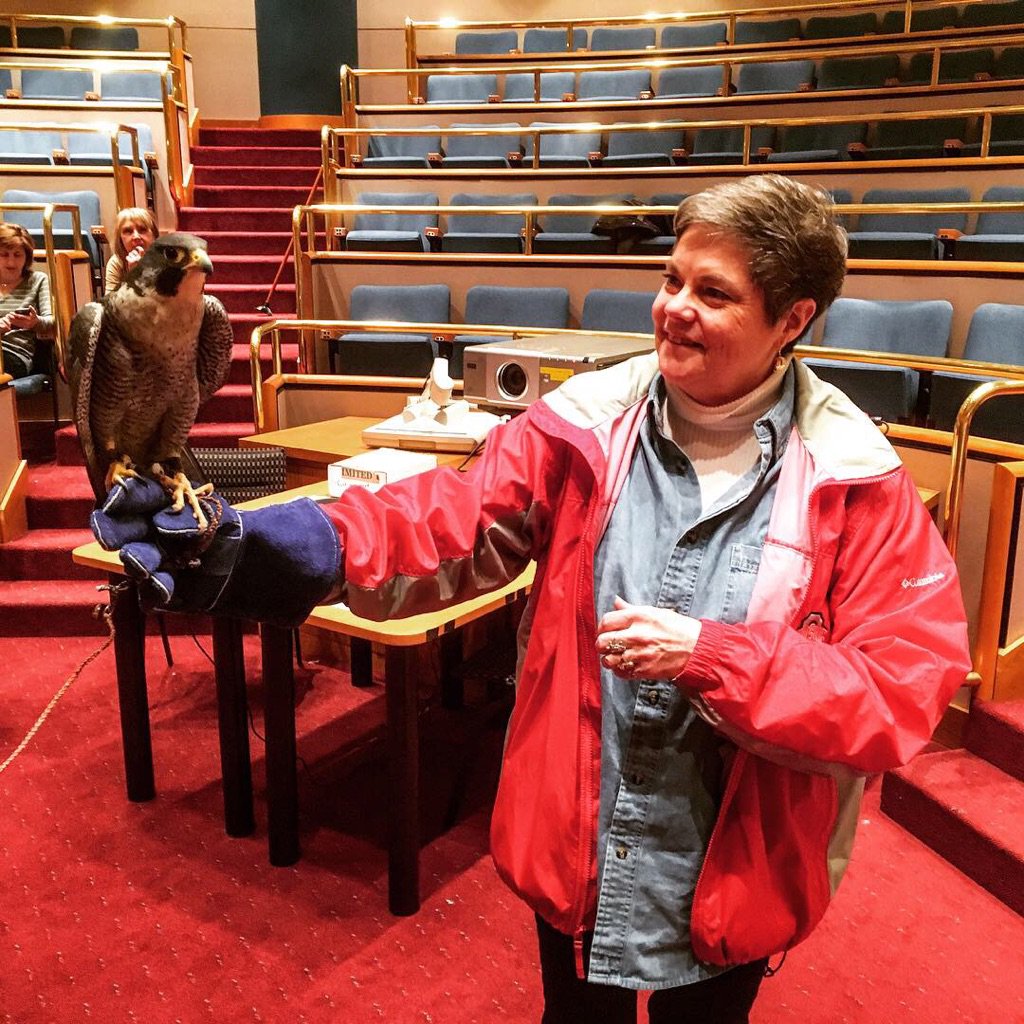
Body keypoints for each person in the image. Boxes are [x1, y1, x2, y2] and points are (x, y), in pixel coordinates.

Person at [91, 174, 971, 1023]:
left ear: (793, 319)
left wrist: (716, 657)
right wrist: (268, 550)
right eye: (671, 279)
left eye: (713, 292)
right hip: (574, 841)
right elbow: (454, 519)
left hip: (734, 869)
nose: (673, 307)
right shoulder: (583, 423)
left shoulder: (860, 480)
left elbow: (898, 689)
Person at [0, 222, 56, 380]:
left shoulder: (38, 280)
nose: (11, 262)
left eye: (17, 255)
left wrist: (35, 322)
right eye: (4, 255)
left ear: (27, 257)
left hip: (15, 355)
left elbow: (52, 321)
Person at [104, 206, 158, 293]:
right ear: (120, 239)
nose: (136, 236)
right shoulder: (116, 263)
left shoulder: (167, 260)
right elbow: (111, 304)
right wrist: (133, 277)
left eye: (142, 230)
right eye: (128, 231)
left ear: (154, 235)